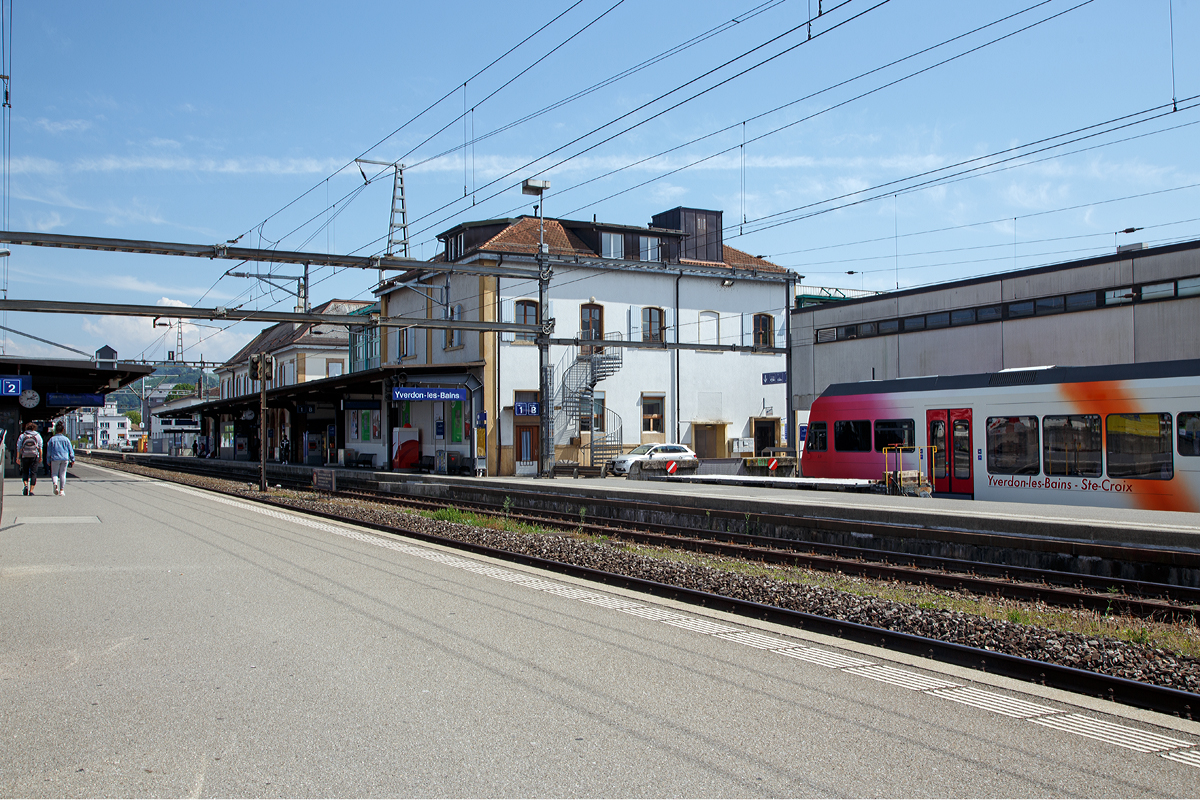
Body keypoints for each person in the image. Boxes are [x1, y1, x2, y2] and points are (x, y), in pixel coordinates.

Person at [47, 421, 75, 496]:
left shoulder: (52, 440)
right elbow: (70, 450)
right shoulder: (66, 439)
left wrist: (48, 460)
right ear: (62, 430)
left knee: (54, 473)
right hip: (64, 458)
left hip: (55, 458)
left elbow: (49, 451)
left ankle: (55, 484)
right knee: (63, 474)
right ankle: (62, 490)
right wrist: (72, 459)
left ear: (55, 430)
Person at [16, 422, 43, 496]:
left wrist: (18, 457)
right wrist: (40, 457)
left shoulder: (22, 435)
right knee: (33, 473)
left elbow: (18, 447)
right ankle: (31, 491)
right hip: (34, 456)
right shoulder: (37, 435)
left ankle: (25, 485)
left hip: (25, 456)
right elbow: (40, 447)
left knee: (25, 472)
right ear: (34, 428)